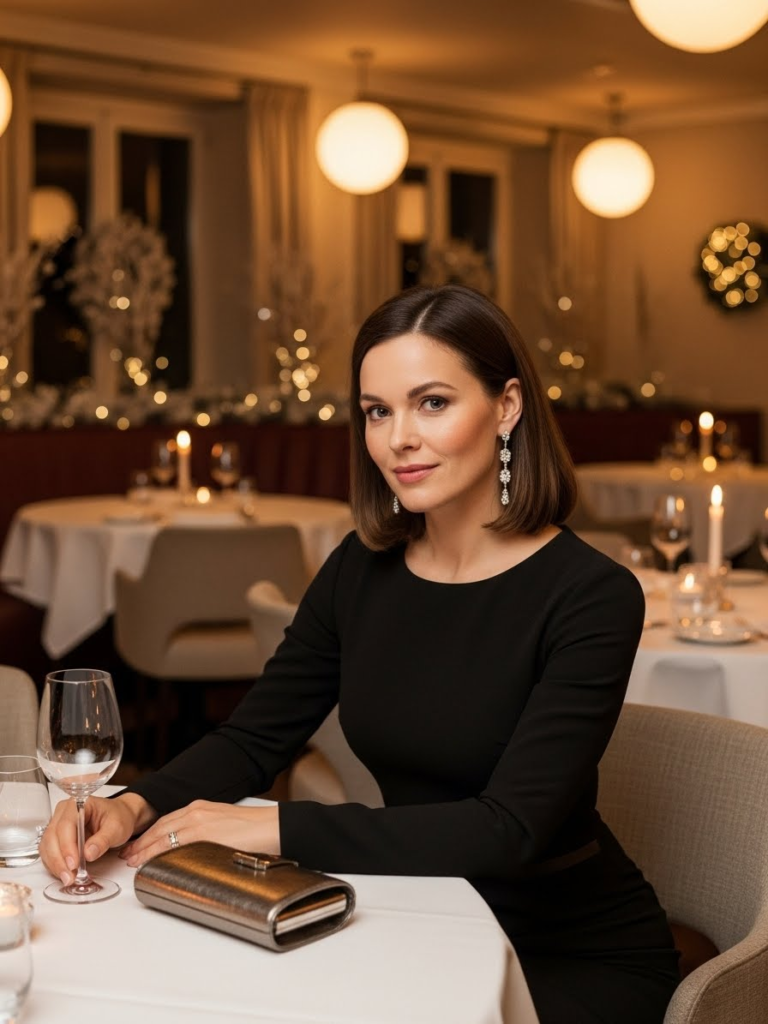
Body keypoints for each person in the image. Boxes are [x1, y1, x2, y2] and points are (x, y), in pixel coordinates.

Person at [41, 285, 679, 1023]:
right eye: (378, 411)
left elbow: (508, 828)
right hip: (413, 907)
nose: (398, 438)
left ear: (506, 407)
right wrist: (132, 805)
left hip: (565, 948)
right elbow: (254, 738)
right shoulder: (361, 568)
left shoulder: (591, 595)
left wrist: (276, 828)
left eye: (432, 402)